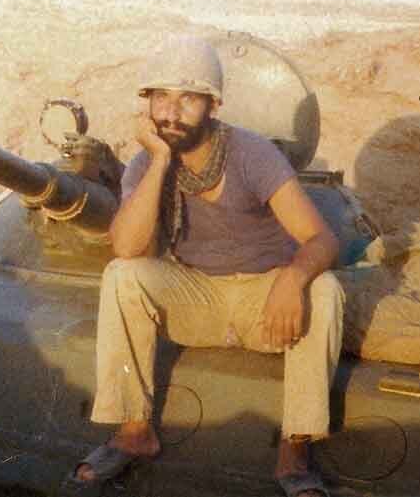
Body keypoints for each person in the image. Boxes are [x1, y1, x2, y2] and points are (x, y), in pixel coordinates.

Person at [62, 35, 344, 497]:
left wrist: (293, 279)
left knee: (324, 289)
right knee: (122, 276)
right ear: (147, 105)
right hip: (197, 297)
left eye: (188, 99)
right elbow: (127, 248)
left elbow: (321, 238)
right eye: (161, 98)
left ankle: (294, 453)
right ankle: (134, 432)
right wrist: (159, 161)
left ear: (213, 105)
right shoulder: (146, 163)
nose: (171, 113)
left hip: (265, 301)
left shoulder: (253, 153)